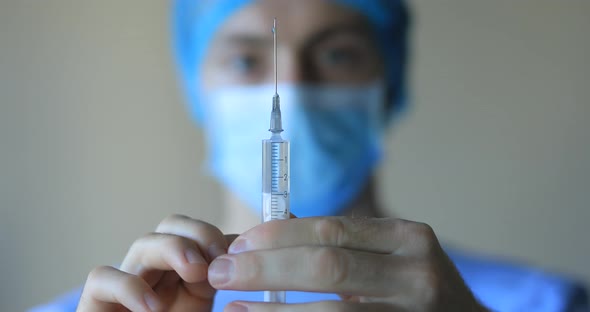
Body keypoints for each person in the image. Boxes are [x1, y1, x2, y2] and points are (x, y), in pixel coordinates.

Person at [32, 0, 588, 311]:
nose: (293, 84)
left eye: (339, 54)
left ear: (388, 82)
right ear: (194, 84)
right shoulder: (111, 308)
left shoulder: (539, 304)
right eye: (247, 61)